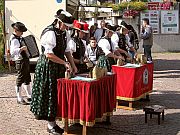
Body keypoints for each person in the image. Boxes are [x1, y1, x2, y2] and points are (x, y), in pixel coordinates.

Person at [30, 9, 77, 135]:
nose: (67, 28)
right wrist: (64, 63)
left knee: (56, 95)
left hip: (58, 66)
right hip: (47, 67)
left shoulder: (64, 33)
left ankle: (53, 123)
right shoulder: (50, 33)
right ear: (59, 22)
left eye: (68, 26)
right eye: (66, 25)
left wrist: (73, 65)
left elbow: (67, 51)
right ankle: (50, 126)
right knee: (50, 95)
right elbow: (49, 54)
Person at [10, 22, 31, 105]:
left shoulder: (20, 38)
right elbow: (12, 52)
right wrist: (21, 49)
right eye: (21, 31)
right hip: (20, 60)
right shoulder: (14, 39)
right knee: (20, 78)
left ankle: (29, 96)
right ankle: (19, 97)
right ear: (16, 30)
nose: (22, 33)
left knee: (27, 78)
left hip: (25, 60)